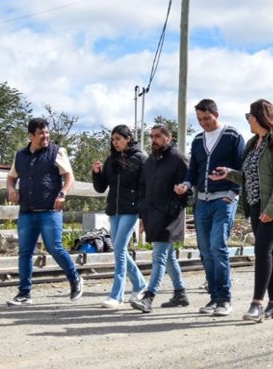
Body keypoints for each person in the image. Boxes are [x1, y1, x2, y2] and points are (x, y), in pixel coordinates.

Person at [210, 99, 273, 323]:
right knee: (270, 252)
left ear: (260, 117)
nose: (248, 120)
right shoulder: (253, 143)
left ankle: (257, 304)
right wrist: (229, 173)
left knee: (261, 249)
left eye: (249, 116)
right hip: (255, 203)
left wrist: (271, 209)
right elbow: (249, 177)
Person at [174, 99, 244, 317]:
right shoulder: (197, 140)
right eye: (199, 119)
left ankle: (224, 298)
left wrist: (233, 193)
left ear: (216, 114)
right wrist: (186, 184)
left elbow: (243, 167)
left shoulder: (232, 136)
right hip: (202, 201)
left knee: (217, 246)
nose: (203, 123)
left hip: (224, 199)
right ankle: (213, 297)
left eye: (206, 118)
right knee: (205, 250)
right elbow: (193, 169)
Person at [5, 118, 84, 306]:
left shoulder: (57, 152)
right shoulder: (20, 156)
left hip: (50, 210)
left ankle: (75, 278)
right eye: (41, 134)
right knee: (25, 252)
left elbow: (69, 177)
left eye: (47, 133)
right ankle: (24, 293)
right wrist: (11, 190)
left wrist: (63, 194)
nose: (46, 136)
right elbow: (10, 178)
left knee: (55, 247)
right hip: (27, 211)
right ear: (31, 135)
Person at [131, 125, 191, 312]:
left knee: (159, 256)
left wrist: (173, 207)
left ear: (168, 137)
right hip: (152, 216)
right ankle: (180, 293)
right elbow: (142, 189)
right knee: (169, 257)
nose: (154, 140)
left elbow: (189, 191)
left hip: (170, 218)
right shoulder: (150, 162)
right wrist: (143, 214)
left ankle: (149, 297)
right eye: (152, 136)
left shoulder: (179, 159)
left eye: (157, 136)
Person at [91, 125, 148, 308]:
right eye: (113, 139)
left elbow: (146, 188)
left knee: (120, 249)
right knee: (119, 250)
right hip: (114, 211)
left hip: (131, 211)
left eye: (118, 138)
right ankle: (140, 284)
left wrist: (144, 213)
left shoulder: (141, 158)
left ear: (128, 138)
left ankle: (117, 295)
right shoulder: (111, 159)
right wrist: (96, 173)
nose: (115, 142)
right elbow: (101, 188)